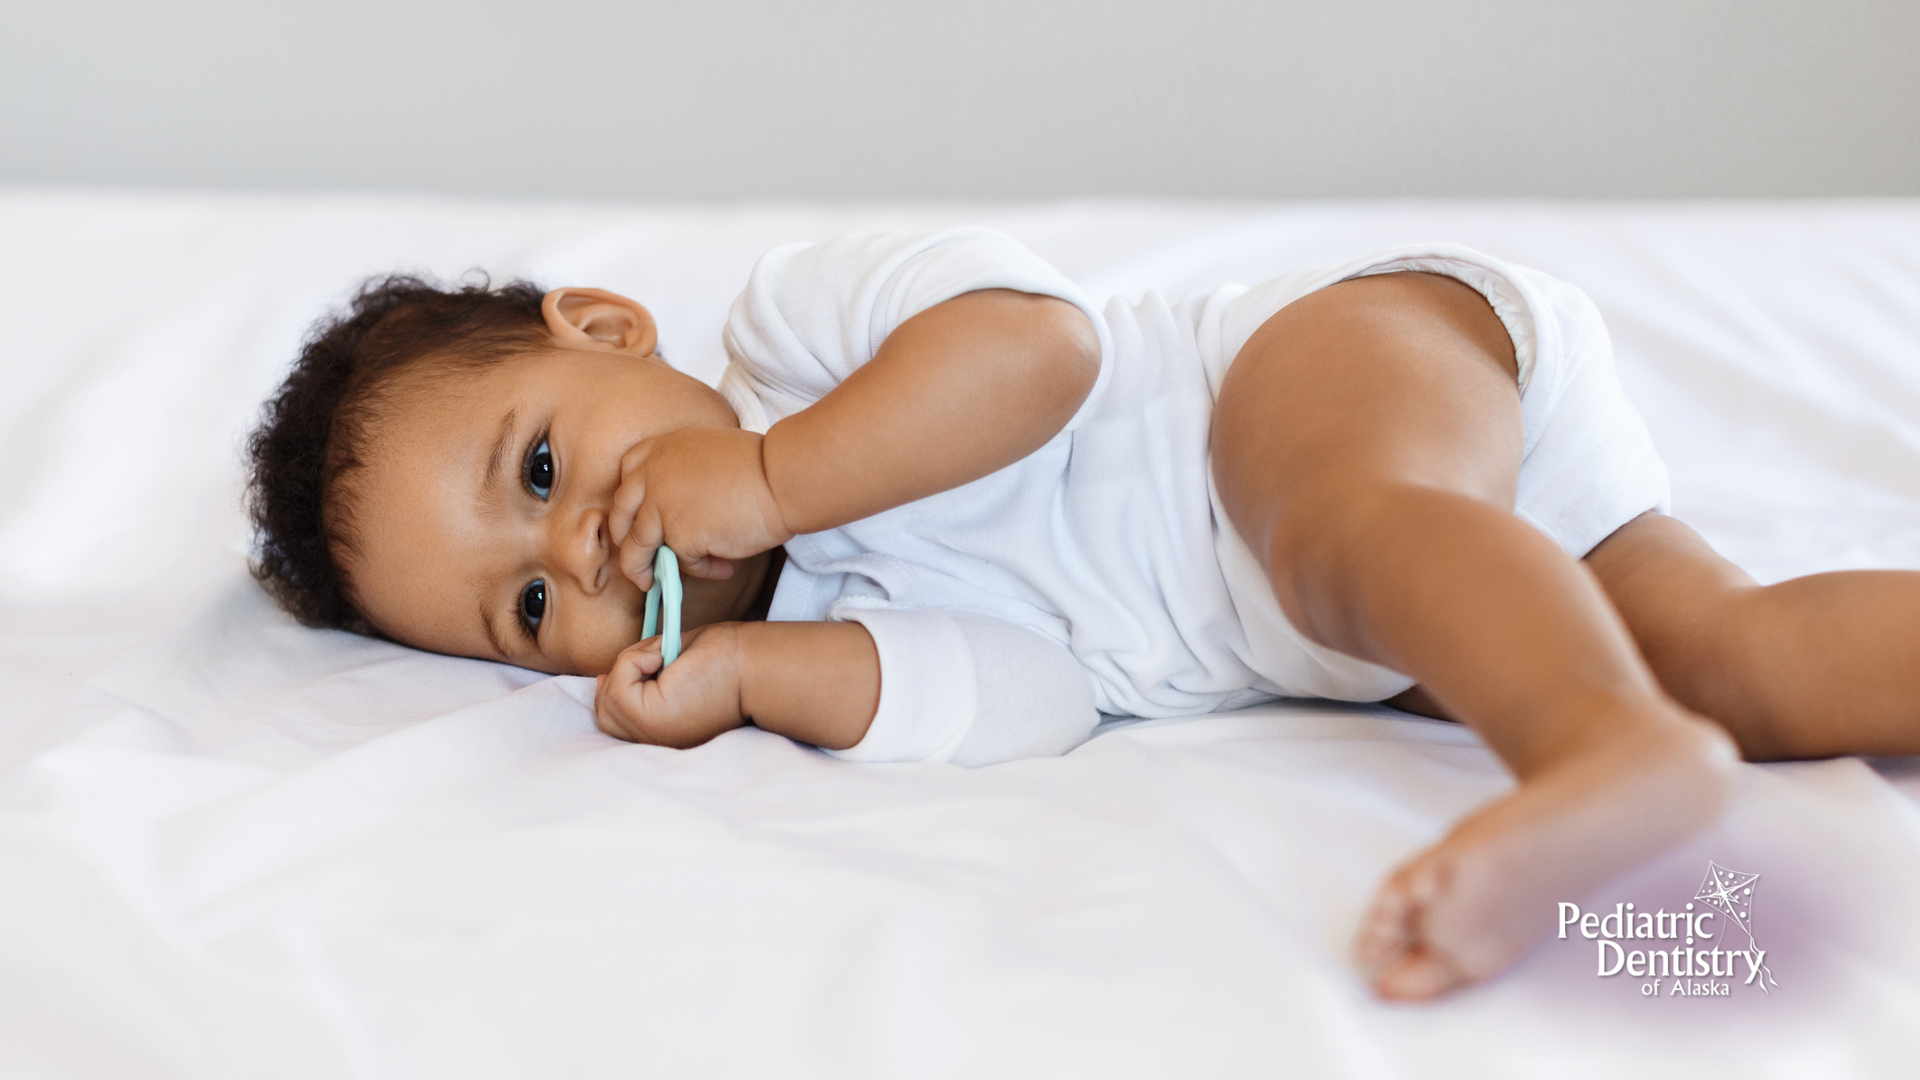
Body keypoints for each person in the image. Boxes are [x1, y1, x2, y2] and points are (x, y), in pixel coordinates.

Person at [246, 228, 1920, 1001]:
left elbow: (1038, 354)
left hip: (1320, 379)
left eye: (541, 465)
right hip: (1413, 600)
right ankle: (1650, 707)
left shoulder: (804, 341)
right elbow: (1034, 693)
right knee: (1744, 662)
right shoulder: (837, 621)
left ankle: (1606, 752)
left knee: (1340, 528)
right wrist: (758, 675)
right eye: (529, 607)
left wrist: (771, 476)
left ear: (608, 325)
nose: (588, 555)